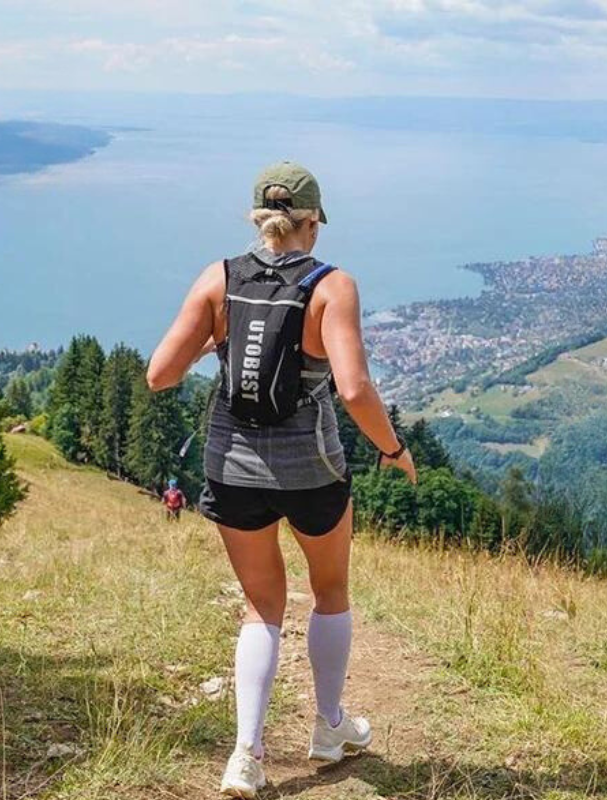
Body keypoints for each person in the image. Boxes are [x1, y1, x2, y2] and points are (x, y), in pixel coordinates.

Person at [147, 161, 416, 799]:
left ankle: (246, 755)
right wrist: (393, 449)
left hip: (231, 468)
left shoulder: (219, 278)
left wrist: (216, 342)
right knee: (330, 591)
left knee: (262, 606)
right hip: (311, 468)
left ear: (258, 219)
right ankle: (328, 726)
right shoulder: (332, 286)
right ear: (312, 222)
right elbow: (354, 388)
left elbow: (159, 374)